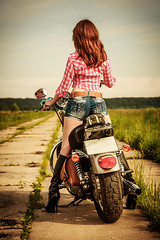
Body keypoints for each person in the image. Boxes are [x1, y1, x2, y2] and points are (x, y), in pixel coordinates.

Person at [44, 19, 116, 213]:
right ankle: (129, 183)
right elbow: (110, 82)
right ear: (95, 35)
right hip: (99, 102)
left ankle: (53, 193)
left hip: (78, 102)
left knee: (66, 146)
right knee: (109, 142)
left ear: (77, 37)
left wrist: (51, 101)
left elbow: (64, 86)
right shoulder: (103, 57)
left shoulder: (73, 58)